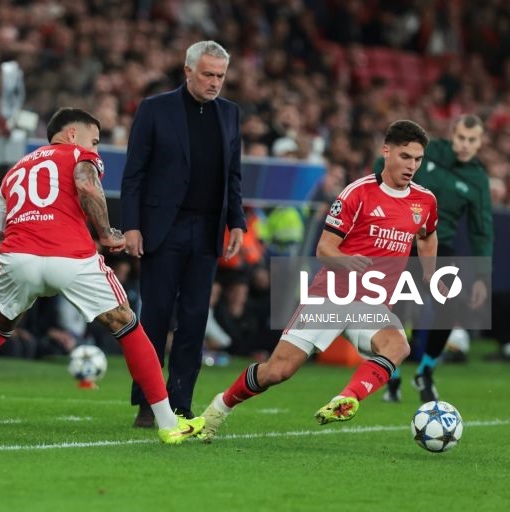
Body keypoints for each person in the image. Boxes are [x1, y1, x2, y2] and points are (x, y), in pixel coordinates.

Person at [0, 108, 205, 445]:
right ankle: (167, 422)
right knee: (128, 325)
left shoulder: (13, 173)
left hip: (18, 260)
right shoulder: (79, 154)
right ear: (73, 135)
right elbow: (86, 184)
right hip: (70, 257)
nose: (96, 148)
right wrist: (105, 234)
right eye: (95, 140)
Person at [197, 120, 440, 441]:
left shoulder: (424, 201)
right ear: (386, 151)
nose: (412, 166)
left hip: (372, 303)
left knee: (397, 345)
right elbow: (324, 248)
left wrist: (429, 271)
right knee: (277, 371)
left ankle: (347, 399)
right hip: (333, 296)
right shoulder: (357, 194)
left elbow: (427, 235)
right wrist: (345, 260)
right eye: (405, 156)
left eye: (418, 159)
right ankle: (218, 409)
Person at [120, 40, 246, 427]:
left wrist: (237, 221)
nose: (214, 82)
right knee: (155, 316)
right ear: (187, 71)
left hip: (207, 229)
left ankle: (180, 404)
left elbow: (233, 175)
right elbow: (134, 173)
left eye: (220, 76)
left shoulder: (230, 114)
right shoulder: (155, 109)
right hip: (163, 228)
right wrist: (132, 226)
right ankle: (147, 403)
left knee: (194, 320)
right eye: (207, 74)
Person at [373, 114, 494, 402]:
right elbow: (382, 166)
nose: (465, 145)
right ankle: (393, 375)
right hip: (400, 242)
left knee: (450, 306)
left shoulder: (477, 179)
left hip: (442, 248)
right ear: (453, 134)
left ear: (480, 143)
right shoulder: (426, 153)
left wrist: (481, 277)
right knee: (394, 310)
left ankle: (424, 372)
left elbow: (482, 230)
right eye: (461, 138)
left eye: (471, 140)